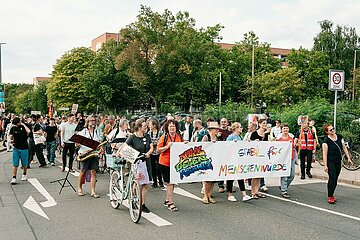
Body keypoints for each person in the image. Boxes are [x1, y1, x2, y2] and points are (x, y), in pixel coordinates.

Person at [124, 118, 153, 213]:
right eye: (145, 126)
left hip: (146, 161)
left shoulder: (147, 136)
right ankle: (133, 198)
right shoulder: (132, 137)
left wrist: (148, 153)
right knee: (138, 182)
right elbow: (125, 146)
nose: (147, 127)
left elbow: (152, 147)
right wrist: (120, 152)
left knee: (145, 184)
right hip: (137, 162)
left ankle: (142, 204)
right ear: (139, 127)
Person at [322, 124, 352, 204]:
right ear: (327, 132)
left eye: (333, 128)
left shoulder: (339, 137)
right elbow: (324, 154)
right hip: (330, 161)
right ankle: (330, 196)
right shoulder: (326, 141)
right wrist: (325, 165)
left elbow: (344, 147)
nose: (333, 130)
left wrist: (348, 157)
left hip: (338, 161)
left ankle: (332, 193)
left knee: (336, 178)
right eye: (330, 130)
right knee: (332, 177)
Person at [158, 119, 183, 211]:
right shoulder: (164, 137)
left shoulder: (179, 136)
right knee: (169, 183)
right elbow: (159, 149)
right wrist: (167, 146)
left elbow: (182, 147)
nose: (172, 128)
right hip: (165, 162)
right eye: (170, 126)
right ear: (167, 128)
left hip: (175, 163)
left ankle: (167, 199)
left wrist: (186, 144)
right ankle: (170, 202)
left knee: (172, 182)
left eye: (173, 126)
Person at [225, 122, 252, 202]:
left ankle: (244, 195)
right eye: (240, 127)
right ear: (236, 128)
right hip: (231, 160)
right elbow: (226, 147)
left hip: (238, 160)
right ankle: (230, 195)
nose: (241, 128)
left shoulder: (240, 137)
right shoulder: (231, 137)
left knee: (240, 176)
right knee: (231, 178)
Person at [77, 116, 101, 198]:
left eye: (94, 120)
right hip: (85, 153)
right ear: (88, 122)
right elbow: (77, 142)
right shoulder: (83, 132)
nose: (93, 122)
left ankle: (93, 190)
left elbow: (98, 141)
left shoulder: (97, 131)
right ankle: (79, 188)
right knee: (83, 172)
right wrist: (78, 143)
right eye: (91, 121)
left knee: (93, 172)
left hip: (94, 153)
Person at [201, 121, 220, 204]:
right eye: (215, 129)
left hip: (215, 159)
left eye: (217, 129)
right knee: (207, 179)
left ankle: (209, 194)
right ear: (211, 130)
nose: (216, 131)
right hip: (207, 160)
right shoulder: (206, 137)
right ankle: (205, 195)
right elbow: (202, 147)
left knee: (213, 179)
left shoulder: (218, 137)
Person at [249, 119, 268, 199]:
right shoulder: (254, 133)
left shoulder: (267, 133)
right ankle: (253, 192)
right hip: (255, 157)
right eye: (263, 123)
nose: (265, 125)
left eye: (265, 123)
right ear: (259, 124)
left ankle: (257, 191)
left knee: (259, 175)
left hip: (263, 156)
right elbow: (250, 144)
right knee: (255, 175)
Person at [9, 117, 31, 184]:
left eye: (17, 124)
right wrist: (11, 140)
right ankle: (14, 177)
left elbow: (29, 131)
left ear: (19, 122)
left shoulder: (23, 127)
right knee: (15, 164)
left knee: (24, 164)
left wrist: (23, 124)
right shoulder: (13, 128)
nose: (16, 125)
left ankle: (24, 174)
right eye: (14, 124)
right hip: (16, 148)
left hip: (24, 148)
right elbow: (11, 135)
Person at [277, 124, 296, 198]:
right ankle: (284, 191)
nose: (285, 130)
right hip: (283, 159)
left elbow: (295, 145)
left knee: (292, 175)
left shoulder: (291, 137)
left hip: (291, 157)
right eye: (284, 128)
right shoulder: (279, 138)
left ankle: (283, 186)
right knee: (284, 175)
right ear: (281, 129)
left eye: (287, 128)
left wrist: (296, 144)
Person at [148, 119, 163, 188]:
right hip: (152, 152)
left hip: (159, 152)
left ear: (154, 125)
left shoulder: (160, 133)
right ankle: (154, 182)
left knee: (159, 167)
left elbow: (162, 141)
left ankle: (160, 181)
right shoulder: (149, 133)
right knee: (153, 168)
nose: (149, 126)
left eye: (150, 124)